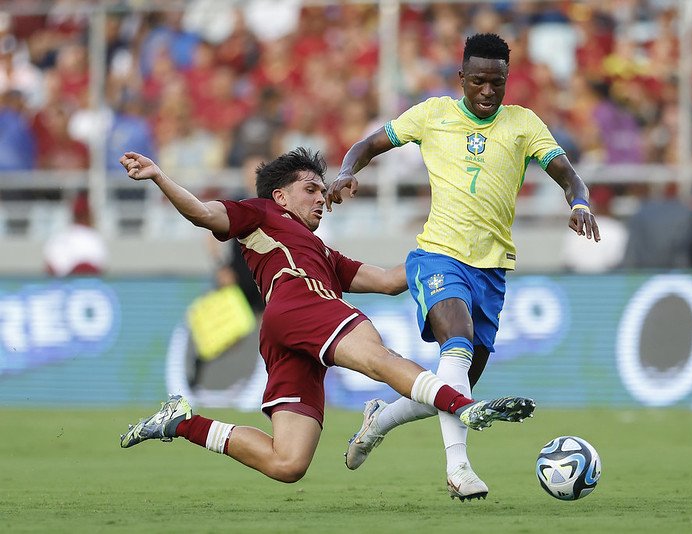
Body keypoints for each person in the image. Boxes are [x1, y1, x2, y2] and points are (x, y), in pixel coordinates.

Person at [118, 147, 535, 485]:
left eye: (322, 191)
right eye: (311, 189)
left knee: (288, 463)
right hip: (300, 305)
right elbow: (203, 213)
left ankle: (180, 423)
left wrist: (440, 249)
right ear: (280, 196)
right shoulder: (261, 212)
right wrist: (159, 177)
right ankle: (464, 407)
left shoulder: (323, 254)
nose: (322, 198)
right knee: (378, 359)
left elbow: (391, 280)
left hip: (283, 334)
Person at [325, 33, 599, 501]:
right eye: (478, 82)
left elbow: (567, 174)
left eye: (497, 83)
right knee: (457, 344)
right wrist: (348, 170)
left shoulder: (523, 124)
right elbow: (369, 144)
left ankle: (379, 419)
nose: (488, 92)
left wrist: (579, 202)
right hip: (438, 255)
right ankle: (460, 470)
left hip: (491, 270)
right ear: (462, 80)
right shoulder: (432, 115)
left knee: (453, 391)